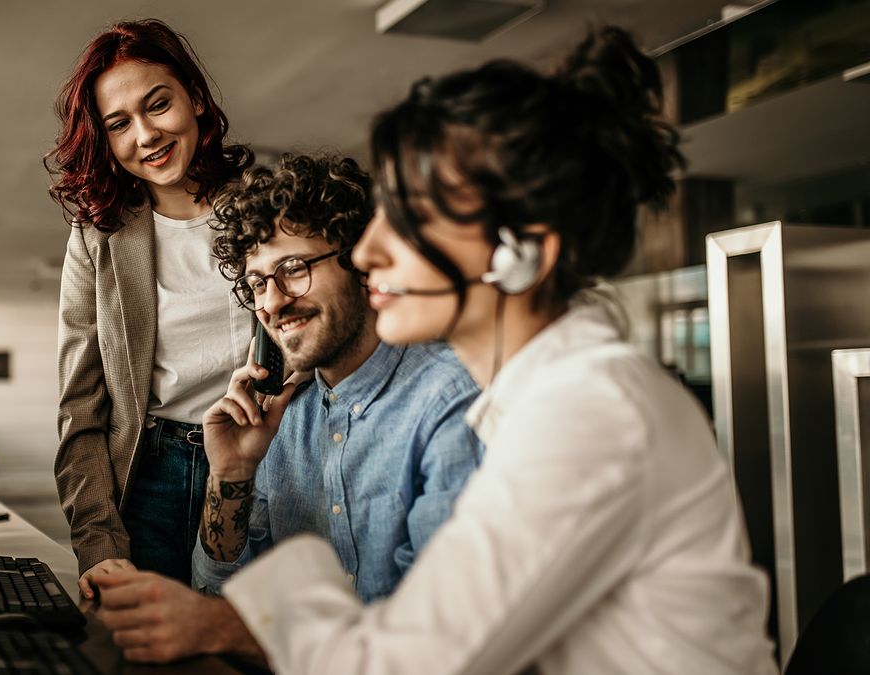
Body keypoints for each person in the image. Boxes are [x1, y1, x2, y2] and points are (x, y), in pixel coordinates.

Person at [91, 26, 778, 673]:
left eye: (411, 217)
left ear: (521, 252)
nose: (371, 249)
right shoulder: (537, 400)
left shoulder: (591, 409)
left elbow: (410, 657)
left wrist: (222, 623)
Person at [192, 153, 483, 602]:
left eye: (293, 269)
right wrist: (231, 474)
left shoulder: (447, 400)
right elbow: (218, 596)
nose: (271, 303)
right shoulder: (276, 419)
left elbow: (433, 618)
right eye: (256, 284)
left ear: (361, 264)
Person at [44, 18, 254, 595]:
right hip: (147, 475)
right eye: (119, 124)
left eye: (157, 105)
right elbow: (80, 409)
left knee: (250, 640)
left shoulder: (265, 206)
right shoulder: (97, 237)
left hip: (260, 462)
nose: (146, 134)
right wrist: (97, 543)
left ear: (197, 100)